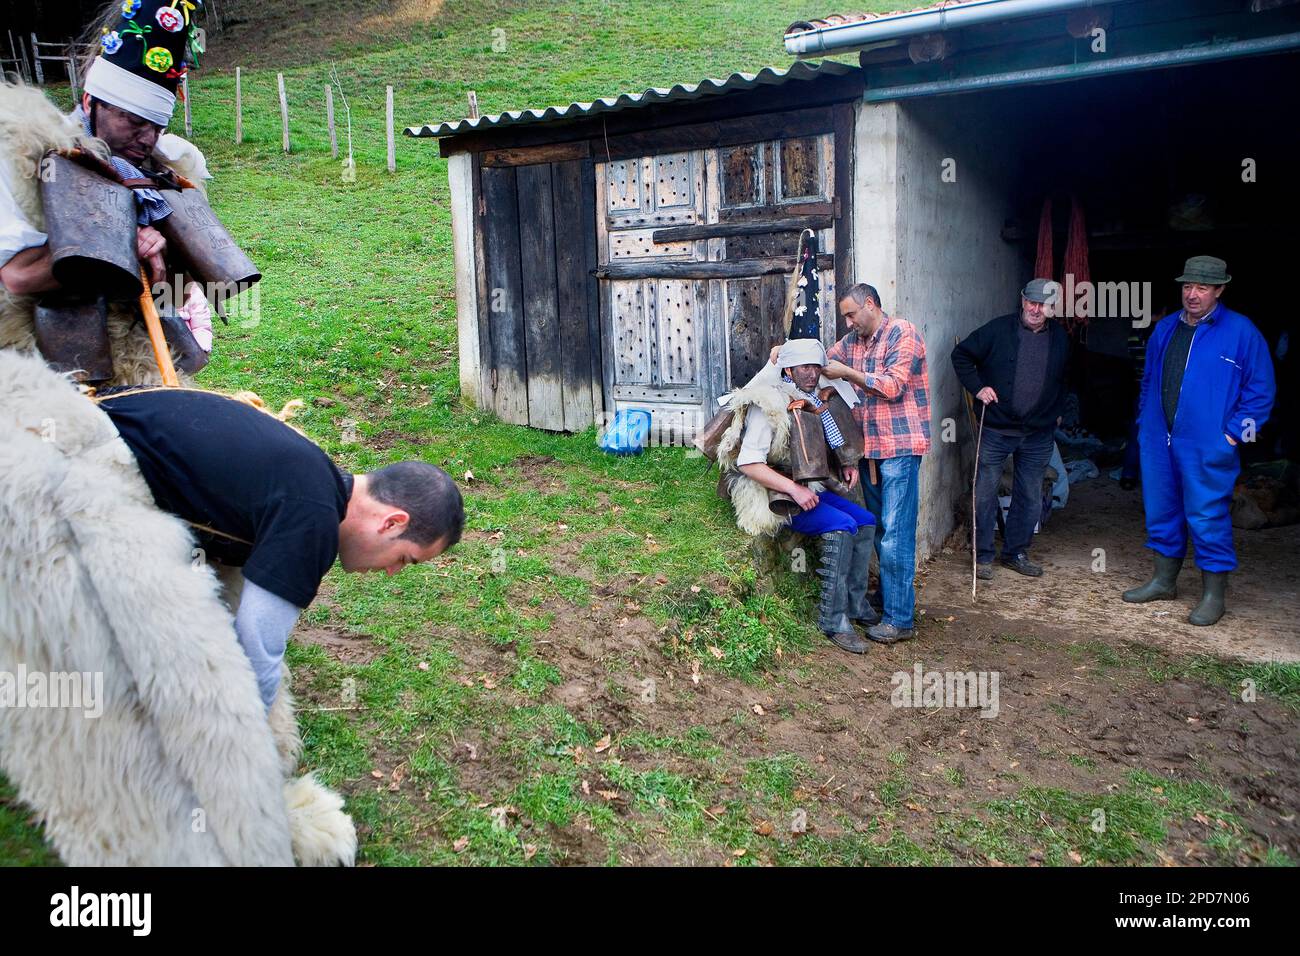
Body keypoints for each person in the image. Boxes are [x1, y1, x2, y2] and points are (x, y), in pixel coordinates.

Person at [97, 386, 465, 706]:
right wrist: (255, 752)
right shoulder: (314, 518)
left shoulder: (313, 471)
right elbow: (257, 652)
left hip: (86, 422)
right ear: (392, 522)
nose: (390, 571)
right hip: (81, 469)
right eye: (403, 559)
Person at [1, 0, 216, 384]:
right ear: (90, 102)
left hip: (141, 356)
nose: (146, 138)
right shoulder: (33, 163)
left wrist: (163, 263)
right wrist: (119, 245)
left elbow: (174, 295)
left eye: (156, 126)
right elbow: (17, 278)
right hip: (47, 362)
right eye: (133, 122)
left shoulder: (162, 174)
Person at [1122, 256, 1275, 625]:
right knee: (1161, 508)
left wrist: (1234, 434)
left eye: (1202, 287)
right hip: (1160, 439)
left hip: (1208, 443)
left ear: (1219, 290)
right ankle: (1163, 580)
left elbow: (1261, 391)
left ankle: (1213, 595)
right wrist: (1145, 424)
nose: (1192, 294)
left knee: (1206, 515)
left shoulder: (1241, 332)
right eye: (1187, 286)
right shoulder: (1165, 329)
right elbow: (1148, 381)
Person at [821, 283, 931, 644]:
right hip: (871, 450)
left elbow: (893, 386)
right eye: (845, 317)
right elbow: (824, 359)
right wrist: (787, 352)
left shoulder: (903, 332)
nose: (848, 322)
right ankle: (888, 599)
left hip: (900, 448)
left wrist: (848, 374)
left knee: (897, 532)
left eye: (852, 314)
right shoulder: (853, 342)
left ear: (870, 304)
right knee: (883, 529)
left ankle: (900, 619)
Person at [951, 278, 1071, 579]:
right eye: (1031, 302)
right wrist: (978, 388)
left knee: (1029, 495)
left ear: (1052, 308)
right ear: (1022, 300)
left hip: (1038, 433)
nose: (1035, 309)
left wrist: (1057, 411)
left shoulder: (1061, 338)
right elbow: (961, 355)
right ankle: (983, 556)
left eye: (1043, 304)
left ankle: (1015, 552)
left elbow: (1068, 379)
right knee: (985, 493)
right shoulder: (998, 329)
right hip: (996, 428)